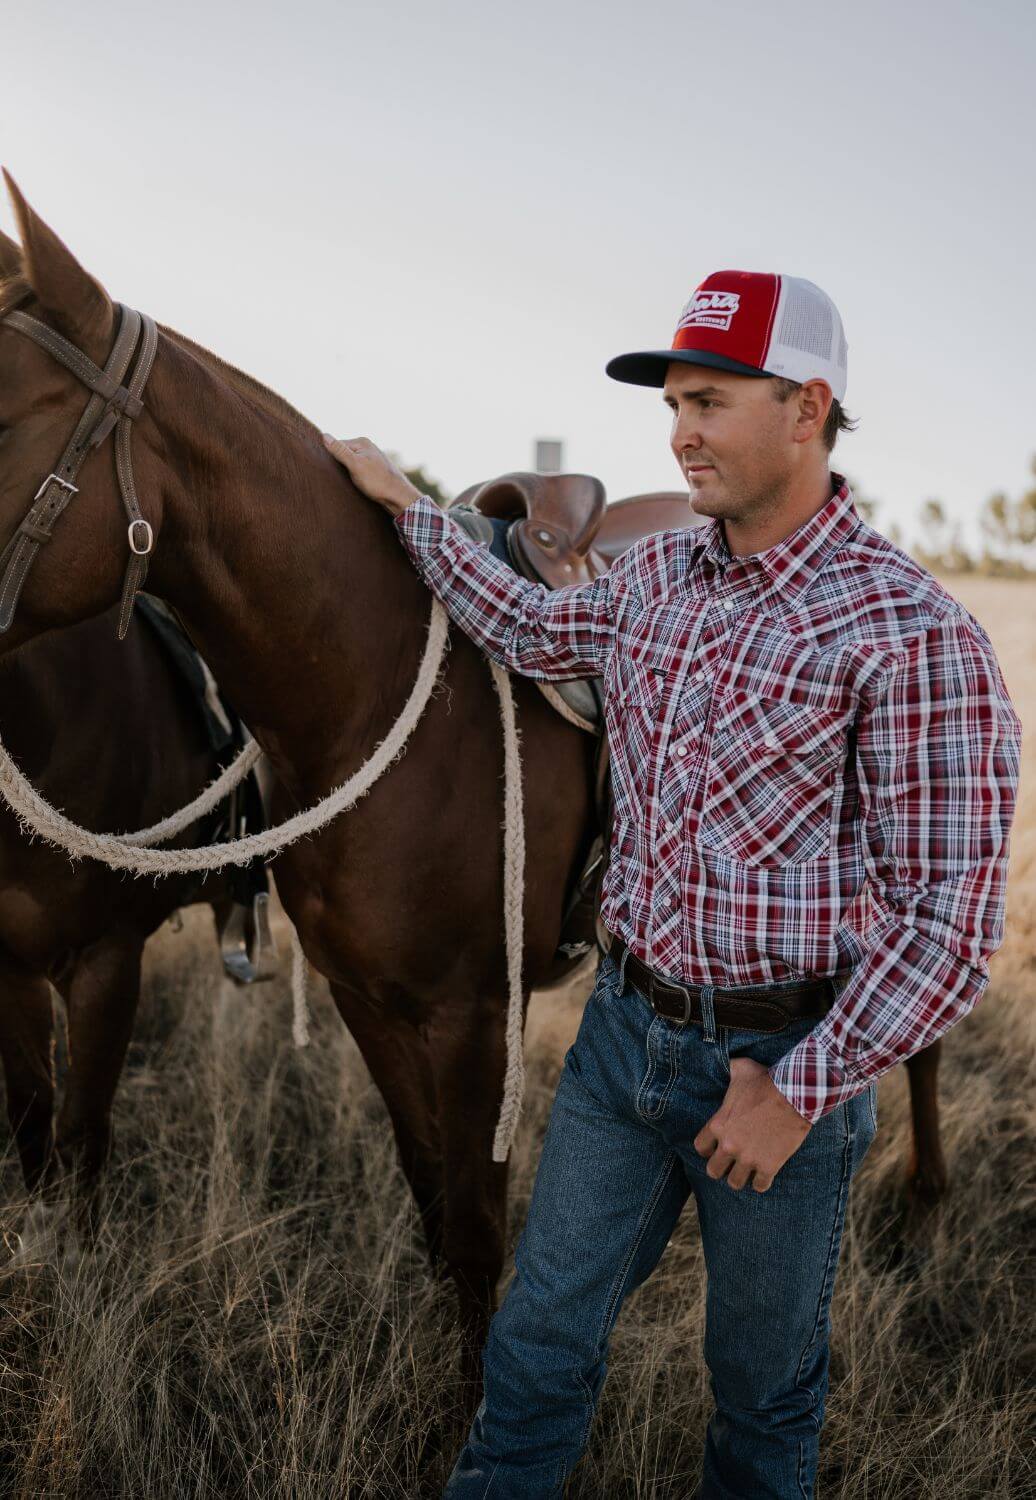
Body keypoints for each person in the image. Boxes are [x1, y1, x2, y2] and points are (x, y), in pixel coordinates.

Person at [323, 270, 1021, 1499]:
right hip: (619, 1046)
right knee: (536, 1347)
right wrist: (406, 505)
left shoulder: (909, 632)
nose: (678, 432)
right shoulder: (653, 581)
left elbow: (948, 932)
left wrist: (798, 1094)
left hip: (784, 1065)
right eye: (672, 404)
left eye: (707, 401)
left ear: (806, 408)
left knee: (761, 1398)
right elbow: (530, 630)